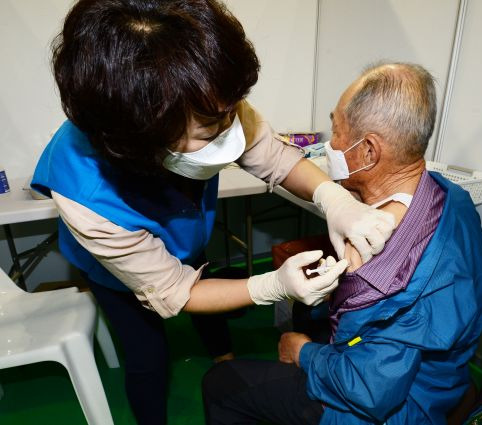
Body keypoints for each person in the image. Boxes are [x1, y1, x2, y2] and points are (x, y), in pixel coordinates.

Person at [30, 1, 396, 424]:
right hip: (115, 274)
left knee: (210, 291)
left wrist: (335, 199)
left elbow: (275, 158)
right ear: (143, 137)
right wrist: (272, 286)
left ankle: (224, 360)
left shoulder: (206, 95)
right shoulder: (87, 197)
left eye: (231, 111)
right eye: (211, 128)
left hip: (190, 241)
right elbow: (174, 290)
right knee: (147, 355)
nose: (231, 128)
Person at [202, 62, 482, 425]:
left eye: (337, 130)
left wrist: (304, 353)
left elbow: (371, 391)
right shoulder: (452, 198)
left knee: (222, 382)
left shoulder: (377, 265)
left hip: (393, 409)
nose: (330, 144)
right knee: (308, 314)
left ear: (369, 151)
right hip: (444, 379)